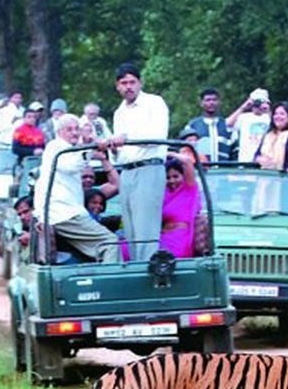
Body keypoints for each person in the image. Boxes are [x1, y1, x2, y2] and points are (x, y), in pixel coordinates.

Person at [100, 62, 169, 262]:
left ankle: (149, 272)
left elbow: (156, 135)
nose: (129, 86)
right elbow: (120, 153)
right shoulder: (119, 112)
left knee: (145, 228)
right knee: (130, 228)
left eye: (132, 82)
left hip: (149, 167)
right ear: (118, 86)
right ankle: (137, 269)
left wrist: (125, 138)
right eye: (124, 83)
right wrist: (112, 148)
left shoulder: (154, 103)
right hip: (127, 171)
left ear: (140, 83)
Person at [34, 114, 121, 263]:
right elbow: (70, 166)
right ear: (60, 132)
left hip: (66, 213)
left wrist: (98, 149)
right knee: (110, 242)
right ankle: (111, 284)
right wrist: (90, 148)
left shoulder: (71, 150)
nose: (74, 133)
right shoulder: (57, 146)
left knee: (100, 247)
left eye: (76, 129)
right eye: (69, 129)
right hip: (63, 214)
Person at [159, 152, 201, 258]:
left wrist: (165, 152)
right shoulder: (164, 194)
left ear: (183, 176)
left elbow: (187, 161)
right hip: (161, 238)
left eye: (175, 176)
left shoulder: (189, 189)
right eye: (168, 177)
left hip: (178, 240)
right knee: (123, 248)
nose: (172, 180)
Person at [254, 100, 288, 173]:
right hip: (265, 176)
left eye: (282, 114)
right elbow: (257, 155)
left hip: (285, 177)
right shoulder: (269, 134)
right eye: (275, 114)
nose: (277, 117)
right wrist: (259, 159)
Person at [184, 88, 232, 162]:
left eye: (214, 100)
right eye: (208, 100)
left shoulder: (227, 125)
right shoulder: (193, 126)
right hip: (201, 170)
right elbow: (186, 151)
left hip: (224, 170)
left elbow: (235, 151)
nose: (211, 103)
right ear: (201, 103)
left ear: (219, 102)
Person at [227, 88, 271, 164]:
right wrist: (244, 107)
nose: (258, 105)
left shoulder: (269, 117)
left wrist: (267, 109)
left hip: (265, 161)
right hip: (246, 160)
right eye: (257, 102)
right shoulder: (244, 117)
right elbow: (228, 124)